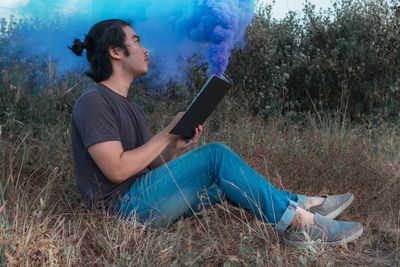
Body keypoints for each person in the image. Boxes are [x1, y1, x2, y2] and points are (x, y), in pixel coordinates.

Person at [69, 19, 363, 246]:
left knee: (221, 184)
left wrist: (174, 144)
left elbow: (151, 167)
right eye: (136, 41)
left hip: (144, 198)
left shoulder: (131, 108)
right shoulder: (94, 102)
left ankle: (305, 203)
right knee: (216, 154)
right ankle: (299, 224)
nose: (145, 49)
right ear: (115, 52)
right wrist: (167, 132)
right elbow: (118, 170)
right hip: (122, 213)